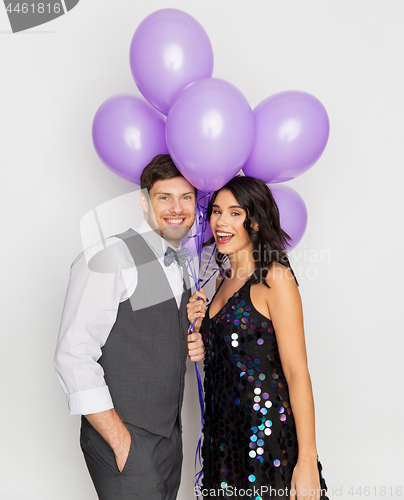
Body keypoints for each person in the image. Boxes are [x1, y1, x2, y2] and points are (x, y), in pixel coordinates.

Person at [55, 154, 196, 500]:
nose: (177, 208)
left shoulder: (182, 263)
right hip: (126, 441)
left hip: (169, 442)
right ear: (144, 202)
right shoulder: (110, 256)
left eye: (187, 197)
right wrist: (122, 443)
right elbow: (73, 355)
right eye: (164, 197)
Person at [187, 176, 329, 500]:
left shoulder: (274, 277)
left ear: (253, 221)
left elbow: (297, 373)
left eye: (234, 213)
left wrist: (307, 458)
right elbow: (226, 357)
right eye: (217, 211)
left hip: (264, 437)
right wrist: (199, 337)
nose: (221, 222)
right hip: (222, 437)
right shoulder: (221, 282)